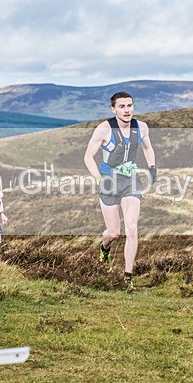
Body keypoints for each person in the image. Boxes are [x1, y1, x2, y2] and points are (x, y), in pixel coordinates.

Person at [84, 92, 156, 291]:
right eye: (122, 106)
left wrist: (152, 168)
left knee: (132, 229)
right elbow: (88, 157)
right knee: (114, 233)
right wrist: (99, 179)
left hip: (131, 180)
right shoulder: (104, 129)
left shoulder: (141, 127)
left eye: (130, 105)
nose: (127, 110)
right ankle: (104, 249)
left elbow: (148, 148)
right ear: (113, 109)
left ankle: (127, 277)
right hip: (108, 181)